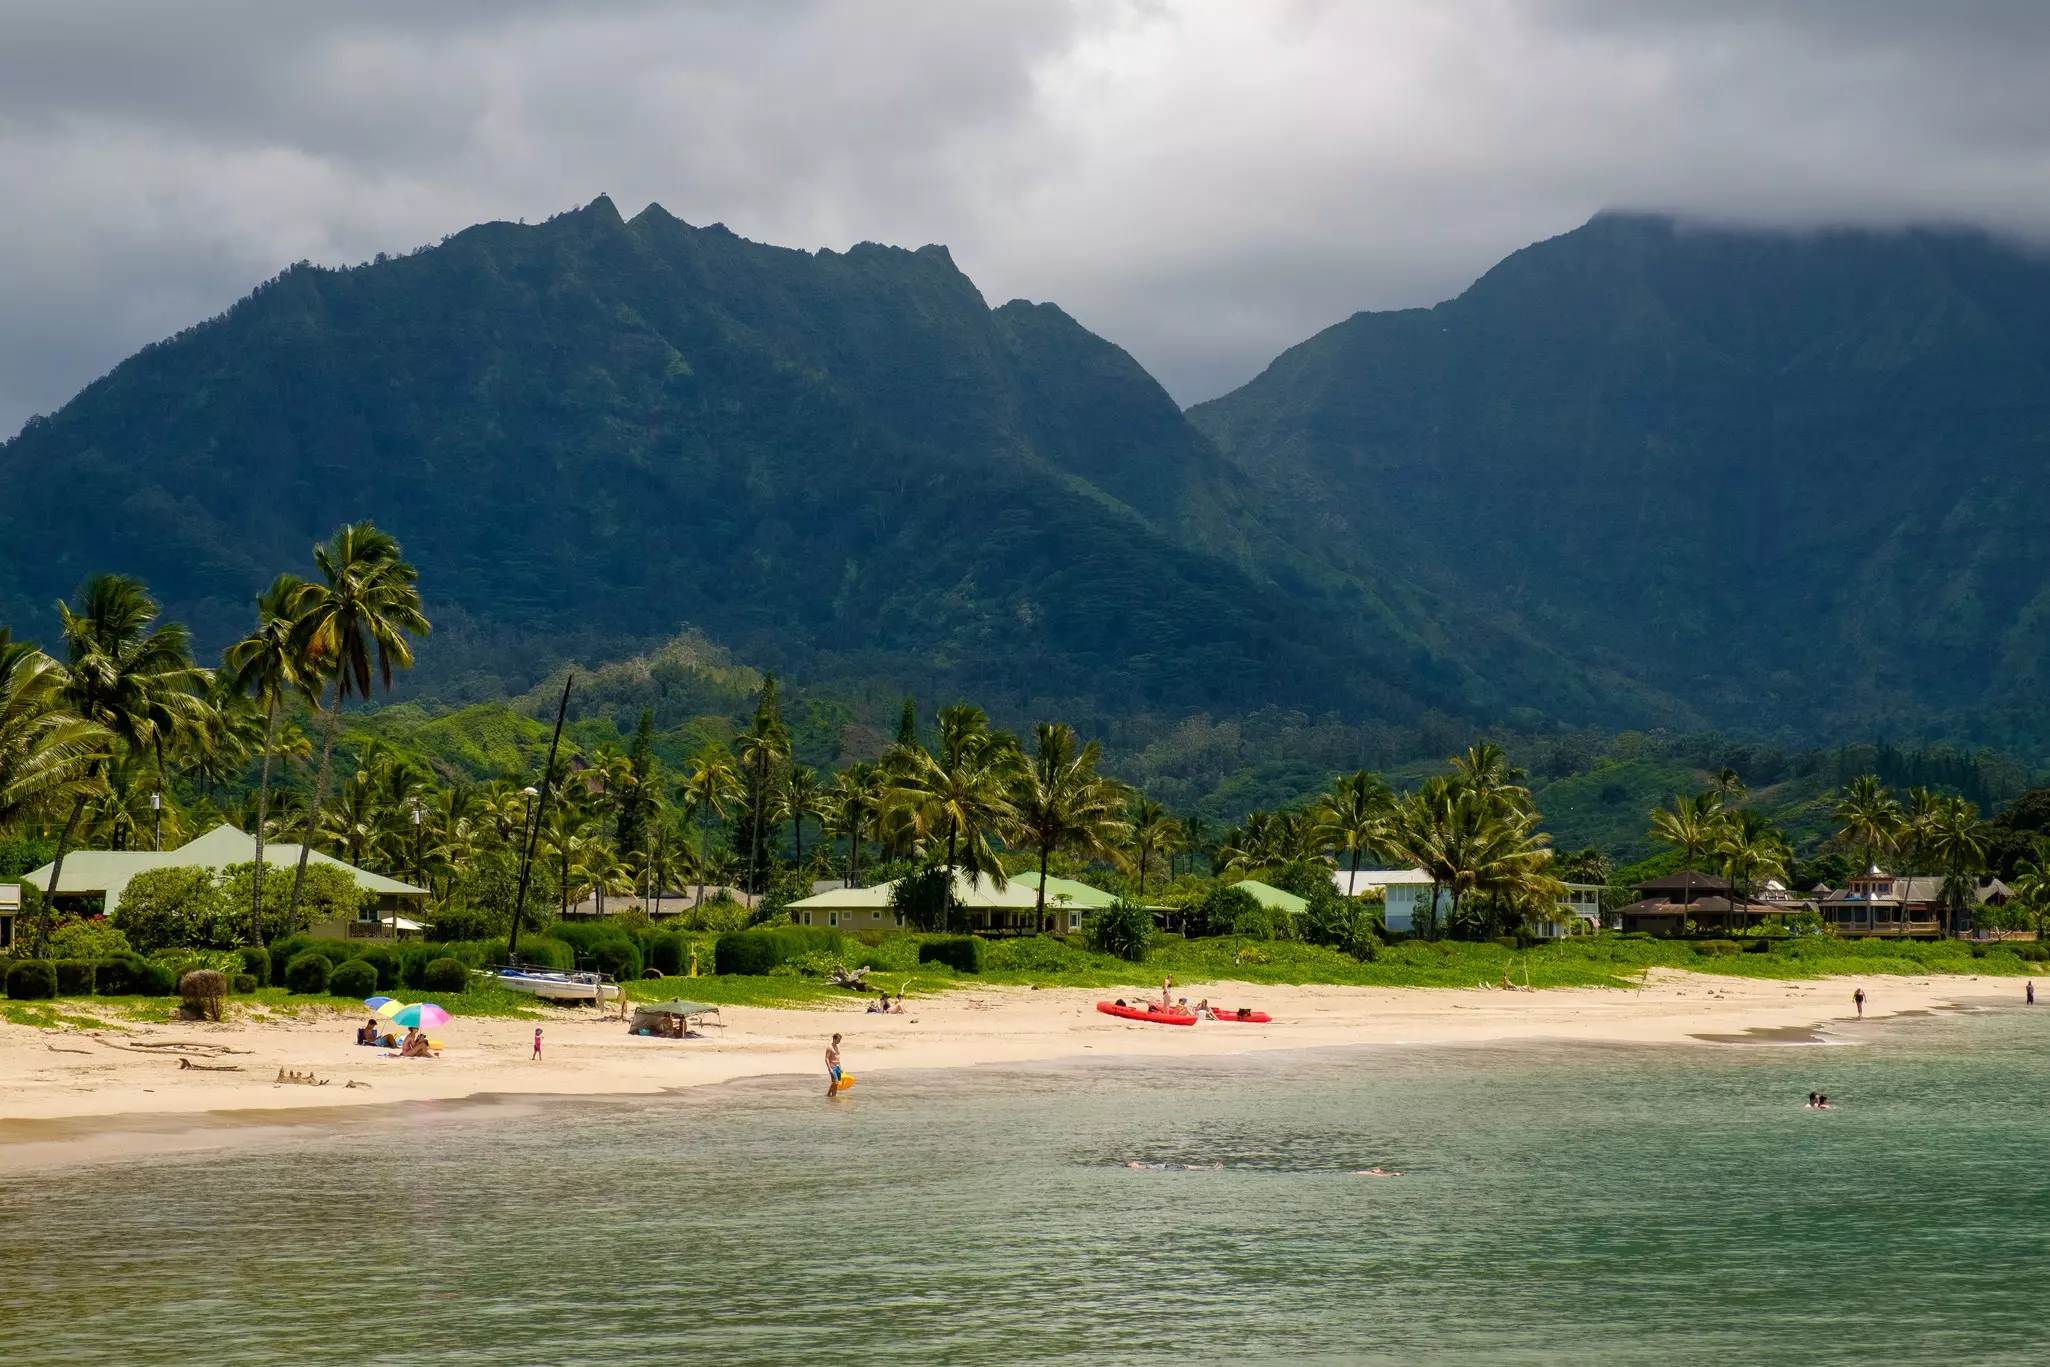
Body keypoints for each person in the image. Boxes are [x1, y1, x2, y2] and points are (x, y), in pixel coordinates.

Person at [825, 1032, 844, 1097]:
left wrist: (840, 1068)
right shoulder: (829, 1047)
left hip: (838, 1067)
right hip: (832, 1067)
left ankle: (833, 1097)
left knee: (836, 1084)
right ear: (834, 1039)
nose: (839, 1041)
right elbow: (826, 1059)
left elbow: (838, 1058)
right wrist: (829, 1068)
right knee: (835, 1082)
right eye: (838, 1040)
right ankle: (828, 1094)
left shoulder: (837, 1046)